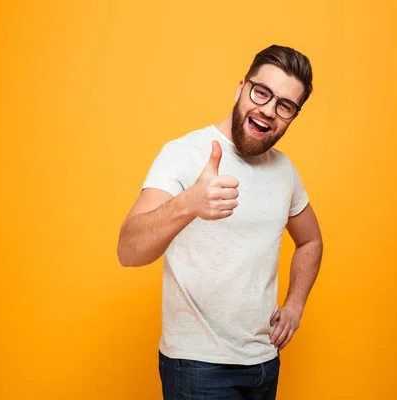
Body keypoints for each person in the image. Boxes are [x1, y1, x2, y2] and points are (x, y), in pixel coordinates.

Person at [117, 44, 323, 400]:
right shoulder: (184, 154)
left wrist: (295, 305)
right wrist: (188, 204)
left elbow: (311, 241)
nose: (268, 110)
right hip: (197, 367)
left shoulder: (285, 170)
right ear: (241, 87)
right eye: (262, 92)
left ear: (292, 115)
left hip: (263, 364)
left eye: (284, 106)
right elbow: (128, 250)